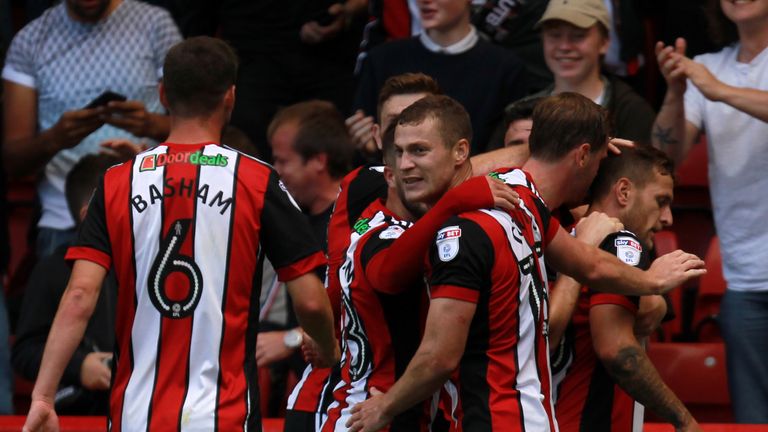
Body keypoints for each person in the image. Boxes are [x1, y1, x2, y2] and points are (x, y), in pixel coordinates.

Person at [22, 36, 339, 432]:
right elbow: (310, 302)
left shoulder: (116, 182)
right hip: (225, 415)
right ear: (230, 98)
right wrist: (327, 349)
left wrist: (43, 397)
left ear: (162, 95)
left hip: (135, 417)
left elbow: (79, 297)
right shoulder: (256, 180)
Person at [345, 93, 705, 432]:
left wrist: (653, 282)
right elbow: (439, 355)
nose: (600, 176)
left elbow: (588, 264)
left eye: (420, 150)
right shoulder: (475, 225)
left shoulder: (523, 203)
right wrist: (386, 407)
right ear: (582, 156)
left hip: (514, 417)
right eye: (598, 161)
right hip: (494, 419)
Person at [653, 0, 768, 424]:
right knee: (753, 421)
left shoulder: (712, 79)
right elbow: (664, 158)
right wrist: (676, 93)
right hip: (743, 275)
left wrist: (717, 90)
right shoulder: (707, 67)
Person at [2, 0, 182, 257]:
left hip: (151, 208)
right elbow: (13, 161)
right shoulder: (30, 40)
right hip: (65, 219)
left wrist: (152, 124)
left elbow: (199, 121)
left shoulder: (155, 24)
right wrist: (56, 138)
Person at [554, 146, 701, 432]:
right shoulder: (621, 242)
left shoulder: (561, 236)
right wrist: (685, 422)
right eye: (661, 201)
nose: (667, 217)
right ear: (623, 192)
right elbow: (617, 350)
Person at [261, 100, 354, 414]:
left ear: (317, 161)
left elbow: (361, 313)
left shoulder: (358, 221)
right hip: (306, 385)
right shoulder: (294, 219)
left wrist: (288, 339)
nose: (276, 172)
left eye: (283, 161)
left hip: (348, 393)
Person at [14, 153, 121, 416]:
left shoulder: (152, 264)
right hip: (77, 409)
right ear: (89, 216)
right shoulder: (52, 270)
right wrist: (80, 366)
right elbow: (25, 351)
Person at [354, 0, 528, 153]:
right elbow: (363, 141)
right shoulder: (382, 60)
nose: (425, 1)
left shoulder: (505, 68)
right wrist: (369, 149)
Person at [501, 0, 654, 147]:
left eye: (578, 35)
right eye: (554, 35)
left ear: (604, 42)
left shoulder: (632, 112)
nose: (564, 46)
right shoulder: (521, 110)